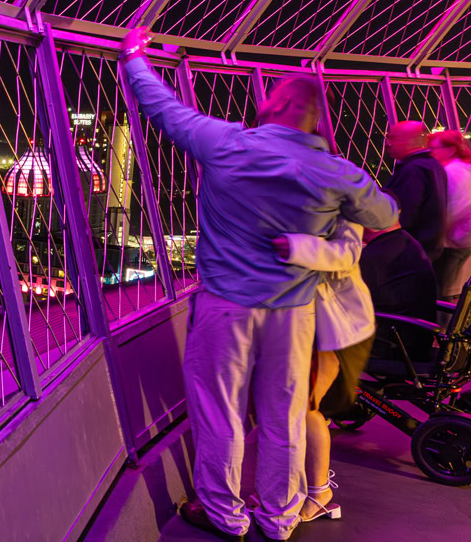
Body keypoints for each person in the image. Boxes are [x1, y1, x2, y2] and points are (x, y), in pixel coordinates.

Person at [121, 27, 399, 541]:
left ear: (286, 104)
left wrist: (135, 59)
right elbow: (384, 212)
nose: (263, 99)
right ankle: (279, 517)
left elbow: (164, 109)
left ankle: (226, 514)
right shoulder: (334, 171)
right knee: (285, 416)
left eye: (271, 94)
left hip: (224, 307)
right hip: (294, 312)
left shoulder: (226, 143)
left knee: (219, 411)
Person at [274, 218, 371, 524]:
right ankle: (303, 488)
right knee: (299, 409)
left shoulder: (334, 206)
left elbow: (341, 260)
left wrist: (292, 248)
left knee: (306, 410)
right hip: (314, 325)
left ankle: (319, 494)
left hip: (327, 329)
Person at [428, 129, 471, 298]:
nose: (431, 153)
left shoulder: (453, 172)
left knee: (441, 292)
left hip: (452, 240)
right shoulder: (468, 171)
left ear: (451, 149)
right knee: (447, 289)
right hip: (466, 238)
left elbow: (452, 208)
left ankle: (442, 324)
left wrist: (434, 235)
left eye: (435, 148)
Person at [384, 121, 449, 260]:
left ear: (410, 140)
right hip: (429, 245)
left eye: (393, 138)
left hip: (411, 248)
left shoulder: (413, 170)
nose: (388, 143)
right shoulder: (433, 164)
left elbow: (405, 213)